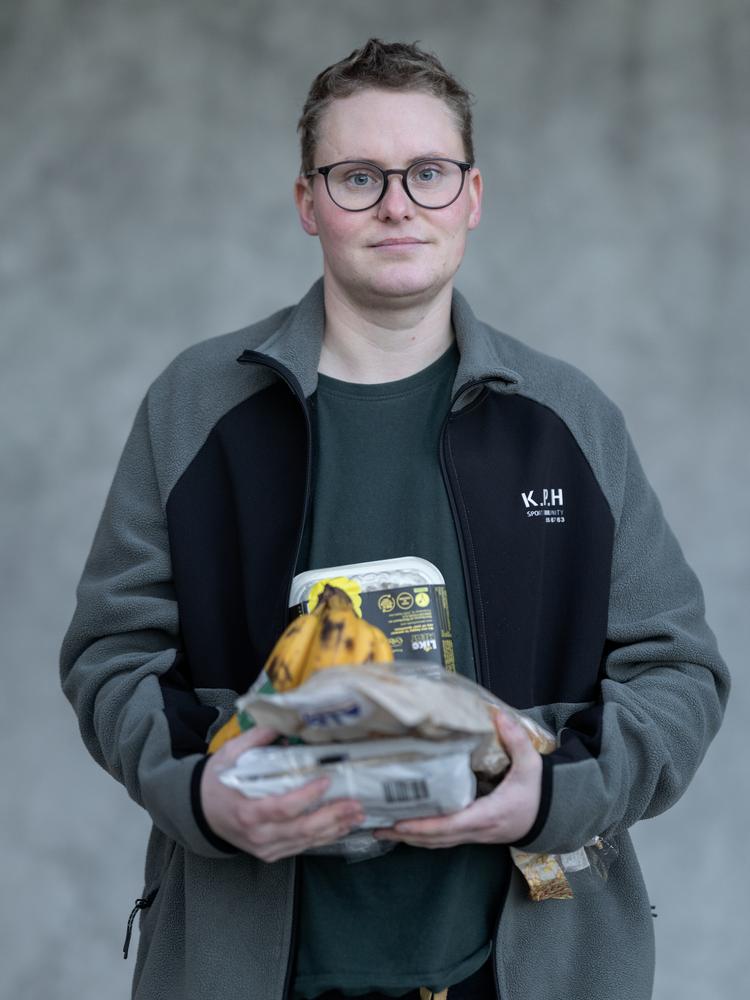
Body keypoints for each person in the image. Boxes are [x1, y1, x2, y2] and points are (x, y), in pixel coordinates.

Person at [60, 38, 729, 1000]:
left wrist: (554, 793)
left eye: (427, 172)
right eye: (358, 176)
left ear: (472, 196)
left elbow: (679, 671)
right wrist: (203, 797)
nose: (397, 204)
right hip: (252, 965)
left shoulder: (568, 420)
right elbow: (110, 656)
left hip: (522, 968)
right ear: (307, 203)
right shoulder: (195, 409)